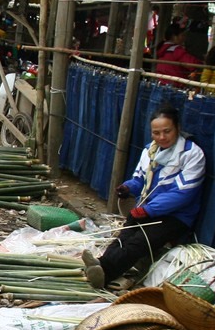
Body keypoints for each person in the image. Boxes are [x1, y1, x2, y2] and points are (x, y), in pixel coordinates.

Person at [84, 106, 206, 289]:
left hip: (176, 216)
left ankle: (104, 273)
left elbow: (182, 193)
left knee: (139, 241)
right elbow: (139, 179)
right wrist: (127, 188)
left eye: (167, 131)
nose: (162, 137)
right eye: (156, 133)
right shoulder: (150, 151)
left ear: (177, 128)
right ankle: (100, 264)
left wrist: (148, 210)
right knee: (123, 236)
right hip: (147, 209)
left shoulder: (192, 154)